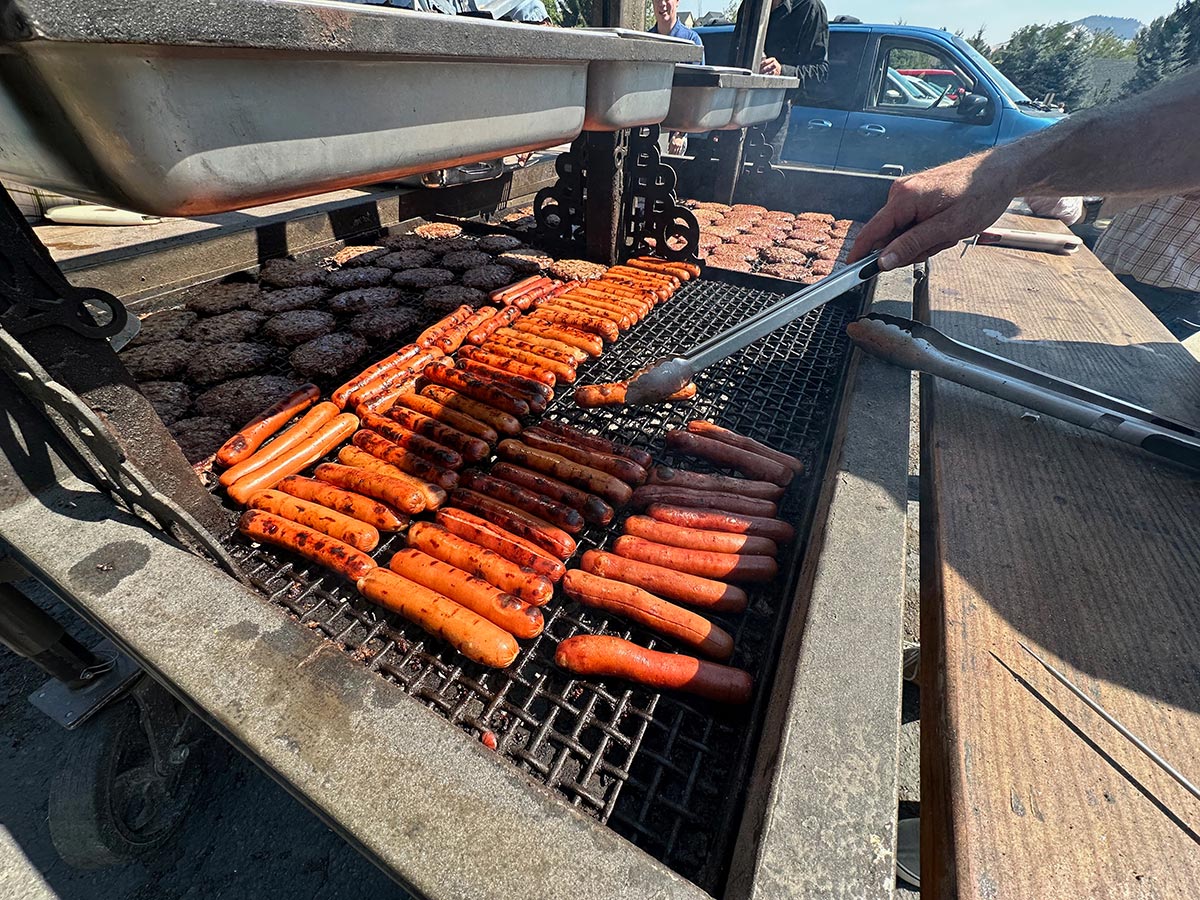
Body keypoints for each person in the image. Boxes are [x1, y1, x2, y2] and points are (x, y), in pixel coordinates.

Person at [847, 68, 1200, 273]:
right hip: (1127, 255)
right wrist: (1007, 173)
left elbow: (1183, 126)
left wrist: (1003, 172)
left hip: (1178, 277)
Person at [737, 0, 829, 161]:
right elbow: (733, 57)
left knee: (761, 182)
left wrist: (782, 71)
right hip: (738, 109)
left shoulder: (810, 8)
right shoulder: (749, 5)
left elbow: (821, 73)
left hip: (775, 115)